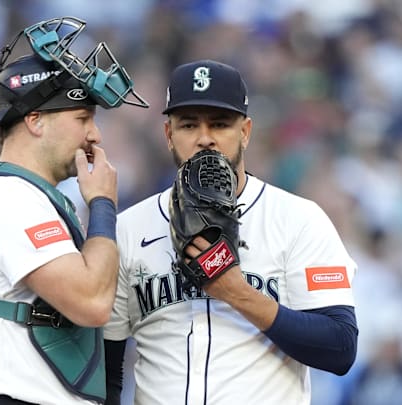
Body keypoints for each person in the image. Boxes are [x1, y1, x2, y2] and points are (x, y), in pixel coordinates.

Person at [103, 60, 358, 404]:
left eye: (220, 124)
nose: (205, 138)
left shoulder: (297, 219)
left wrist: (237, 293)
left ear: (245, 131)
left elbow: (339, 347)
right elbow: (107, 368)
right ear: (168, 135)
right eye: (189, 125)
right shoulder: (130, 228)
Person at [0, 17, 148, 405]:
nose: (95, 135)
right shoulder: (5, 197)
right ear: (34, 120)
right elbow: (91, 302)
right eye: (82, 118)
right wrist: (102, 202)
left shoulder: (30, 197)